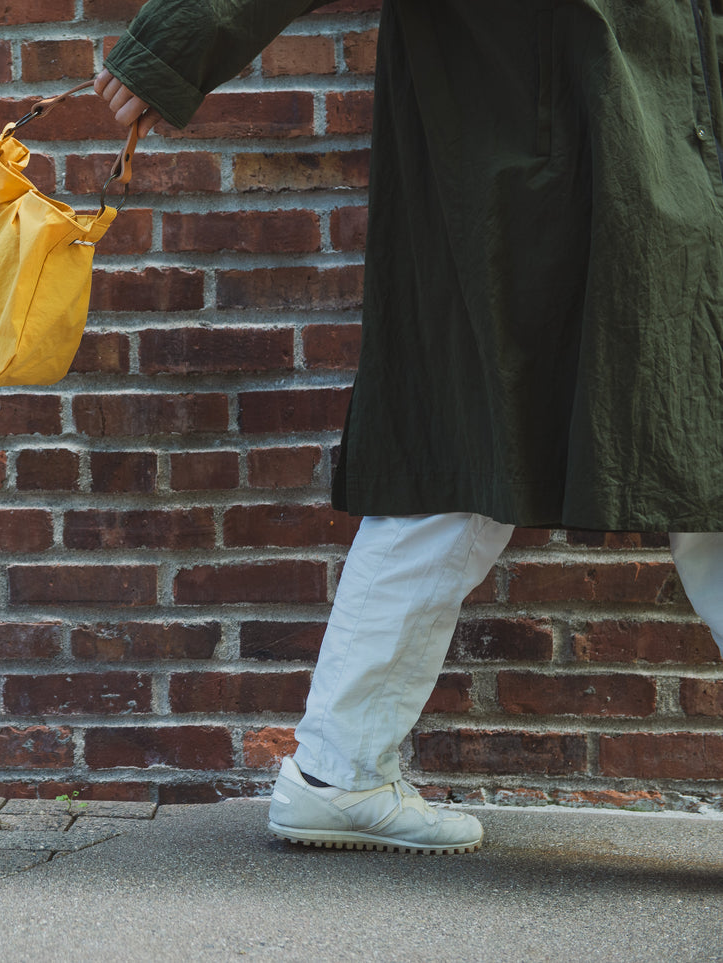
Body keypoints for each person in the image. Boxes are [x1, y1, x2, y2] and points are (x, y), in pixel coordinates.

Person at [96, 0, 723, 853]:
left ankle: (339, 771)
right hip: (556, 159)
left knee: (462, 465)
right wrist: (175, 43)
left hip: (589, 156)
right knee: (495, 463)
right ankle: (338, 774)